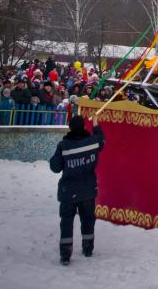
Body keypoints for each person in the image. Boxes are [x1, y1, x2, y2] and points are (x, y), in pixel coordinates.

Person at [49, 113, 105, 265]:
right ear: (83, 127)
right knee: (88, 219)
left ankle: (65, 254)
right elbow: (102, 140)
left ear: (70, 128)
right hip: (87, 190)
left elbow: (54, 167)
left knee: (66, 221)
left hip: (68, 191)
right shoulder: (92, 142)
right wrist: (95, 124)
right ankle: (88, 248)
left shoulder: (64, 145)